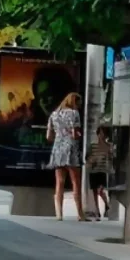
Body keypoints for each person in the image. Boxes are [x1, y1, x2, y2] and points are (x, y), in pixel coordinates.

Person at [45, 92, 84, 221]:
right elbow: (75, 134)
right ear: (74, 102)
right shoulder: (74, 114)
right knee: (75, 182)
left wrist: (59, 135)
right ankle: (80, 214)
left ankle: (59, 214)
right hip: (71, 148)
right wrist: (77, 134)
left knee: (59, 182)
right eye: (78, 103)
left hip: (57, 149)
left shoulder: (54, 114)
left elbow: (48, 137)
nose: (79, 106)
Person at [86, 125, 114, 220]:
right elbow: (87, 157)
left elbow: (111, 158)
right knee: (94, 191)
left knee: (100, 190)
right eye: (100, 133)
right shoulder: (93, 146)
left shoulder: (109, 146)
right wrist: (91, 161)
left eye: (103, 133)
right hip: (93, 170)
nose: (101, 135)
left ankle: (107, 205)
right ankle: (97, 211)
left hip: (103, 171)